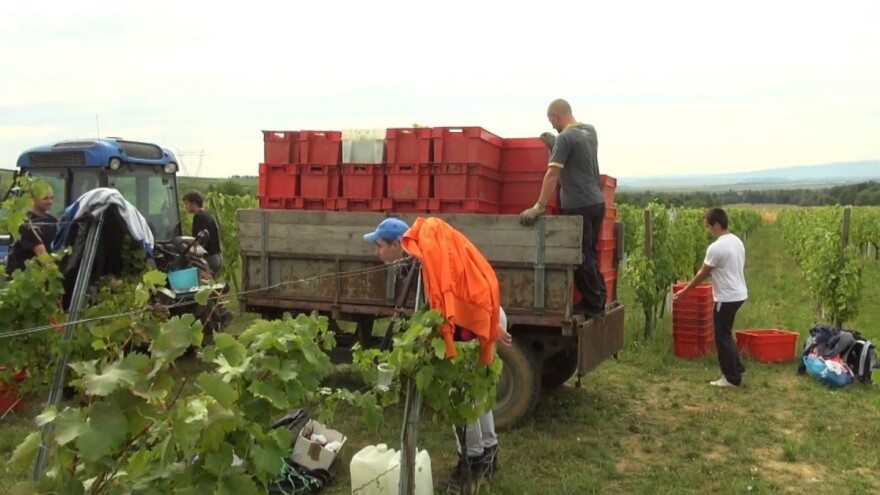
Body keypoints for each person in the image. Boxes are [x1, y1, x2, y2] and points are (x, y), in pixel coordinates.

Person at [362, 217, 513, 486]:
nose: (377, 252)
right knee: (476, 393)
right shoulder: (421, 256)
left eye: (380, 245)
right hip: (480, 315)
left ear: (398, 244)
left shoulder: (428, 256)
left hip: (476, 318)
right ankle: (487, 457)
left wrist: (488, 325)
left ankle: (471, 464)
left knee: (460, 396)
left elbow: (456, 290)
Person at [520, 98, 606, 317]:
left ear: (556, 116)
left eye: (551, 120)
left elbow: (552, 175)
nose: (552, 125)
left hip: (579, 204)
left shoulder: (565, 137)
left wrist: (539, 206)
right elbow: (577, 156)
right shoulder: (590, 131)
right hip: (597, 202)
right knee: (590, 253)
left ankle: (595, 305)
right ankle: (598, 300)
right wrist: (555, 144)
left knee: (580, 255)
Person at [673, 207, 748, 388]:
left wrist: (684, 292)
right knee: (725, 333)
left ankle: (731, 378)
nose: (708, 230)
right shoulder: (736, 241)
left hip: (726, 297)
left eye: (708, 226)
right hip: (739, 293)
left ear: (716, 225)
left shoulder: (716, 248)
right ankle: (738, 368)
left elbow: (702, 274)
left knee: (721, 337)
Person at [5, 184, 59, 279]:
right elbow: (43, 257)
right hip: (25, 277)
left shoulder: (52, 220)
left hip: (43, 275)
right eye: (45, 198)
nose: (50, 202)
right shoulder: (24, 223)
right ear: (33, 198)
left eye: (52, 198)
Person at [182, 191, 222, 276]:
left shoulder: (199, 217)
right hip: (216, 256)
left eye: (187, 204)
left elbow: (200, 239)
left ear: (194, 203)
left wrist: (187, 244)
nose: (185, 207)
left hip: (208, 258)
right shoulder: (207, 215)